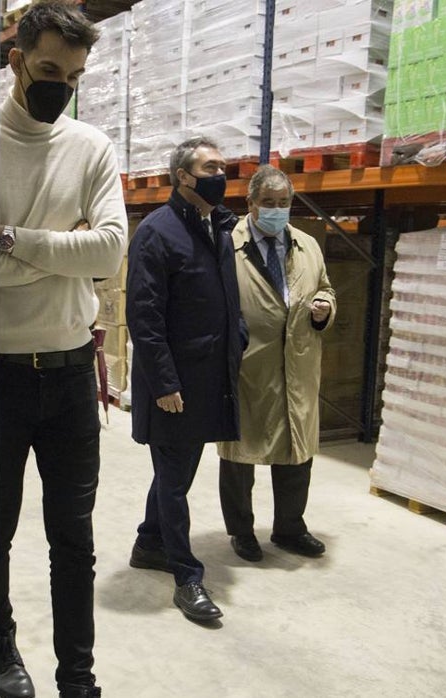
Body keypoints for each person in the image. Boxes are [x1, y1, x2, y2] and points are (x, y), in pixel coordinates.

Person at [0, 3, 126, 697]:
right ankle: (5, 658)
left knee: (74, 543)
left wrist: (10, 240)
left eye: (72, 75)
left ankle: (79, 677)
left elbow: (109, 250)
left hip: (71, 378)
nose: (59, 86)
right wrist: (60, 249)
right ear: (14, 60)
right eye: (47, 70)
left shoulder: (92, 149)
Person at [126, 136, 246, 624]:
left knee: (174, 473)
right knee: (176, 480)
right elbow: (144, 316)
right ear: (183, 177)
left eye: (223, 165)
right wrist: (164, 383)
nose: (221, 173)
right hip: (175, 383)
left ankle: (149, 542)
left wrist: (236, 337)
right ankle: (186, 575)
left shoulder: (214, 226)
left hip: (208, 376)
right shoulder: (158, 232)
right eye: (210, 166)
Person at [217, 166, 335, 563]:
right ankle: (241, 531)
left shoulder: (307, 245)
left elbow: (325, 288)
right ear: (249, 204)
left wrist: (324, 310)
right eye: (268, 204)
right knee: (239, 454)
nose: (277, 211)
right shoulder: (226, 244)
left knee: (296, 451)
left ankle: (289, 528)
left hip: (298, 363)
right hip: (248, 365)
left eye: (284, 204)